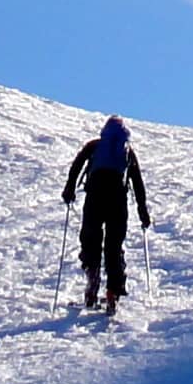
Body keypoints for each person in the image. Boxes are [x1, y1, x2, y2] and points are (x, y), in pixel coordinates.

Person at [61, 114, 149, 315]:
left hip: (95, 197)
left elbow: (77, 166)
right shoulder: (127, 152)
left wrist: (69, 190)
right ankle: (112, 293)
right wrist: (143, 213)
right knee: (114, 245)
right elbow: (138, 183)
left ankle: (92, 285)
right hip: (118, 201)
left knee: (90, 239)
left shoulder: (94, 146)